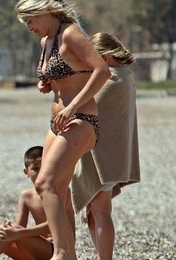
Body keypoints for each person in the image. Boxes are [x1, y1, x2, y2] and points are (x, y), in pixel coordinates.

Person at [15, 0, 110, 259]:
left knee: (45, 182)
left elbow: (101, 71)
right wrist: (47, 82)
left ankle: (62, 253)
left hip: (81, 119)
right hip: (57, 121)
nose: (29, 27)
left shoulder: (70, 33)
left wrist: (72, 106)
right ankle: (70, 255)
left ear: (43, 11)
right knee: (57, 191)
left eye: (30, 20)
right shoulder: (47, 42)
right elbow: (61, 74)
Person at [71, 32, 140, 260]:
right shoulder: (125, 77)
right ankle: (102, 255)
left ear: (107, 55)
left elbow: (90, 109)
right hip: (109, 155)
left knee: (101, 211)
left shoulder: (111, 79)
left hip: (103, 157)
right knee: (96, 212)